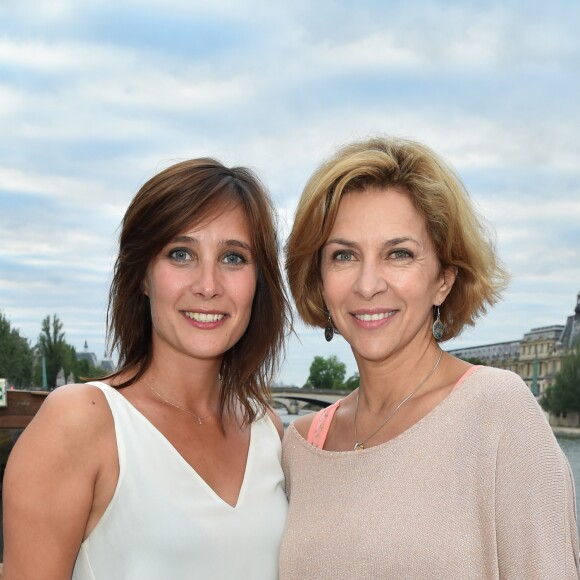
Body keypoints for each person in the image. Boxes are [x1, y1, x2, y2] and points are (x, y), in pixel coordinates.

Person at [280, 135, 579, 579]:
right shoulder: (302, 446)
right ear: (319, 281)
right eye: (344, 255)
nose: (368, 284)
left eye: (398, 254)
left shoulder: (497, 411)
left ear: (444, 280)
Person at [3, 158, 291, 579]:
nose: (208, 285)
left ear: (258, 281)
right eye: (181, 254)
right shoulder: (82, 423)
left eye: (233, 257)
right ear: (142, 276)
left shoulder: (266, 428)